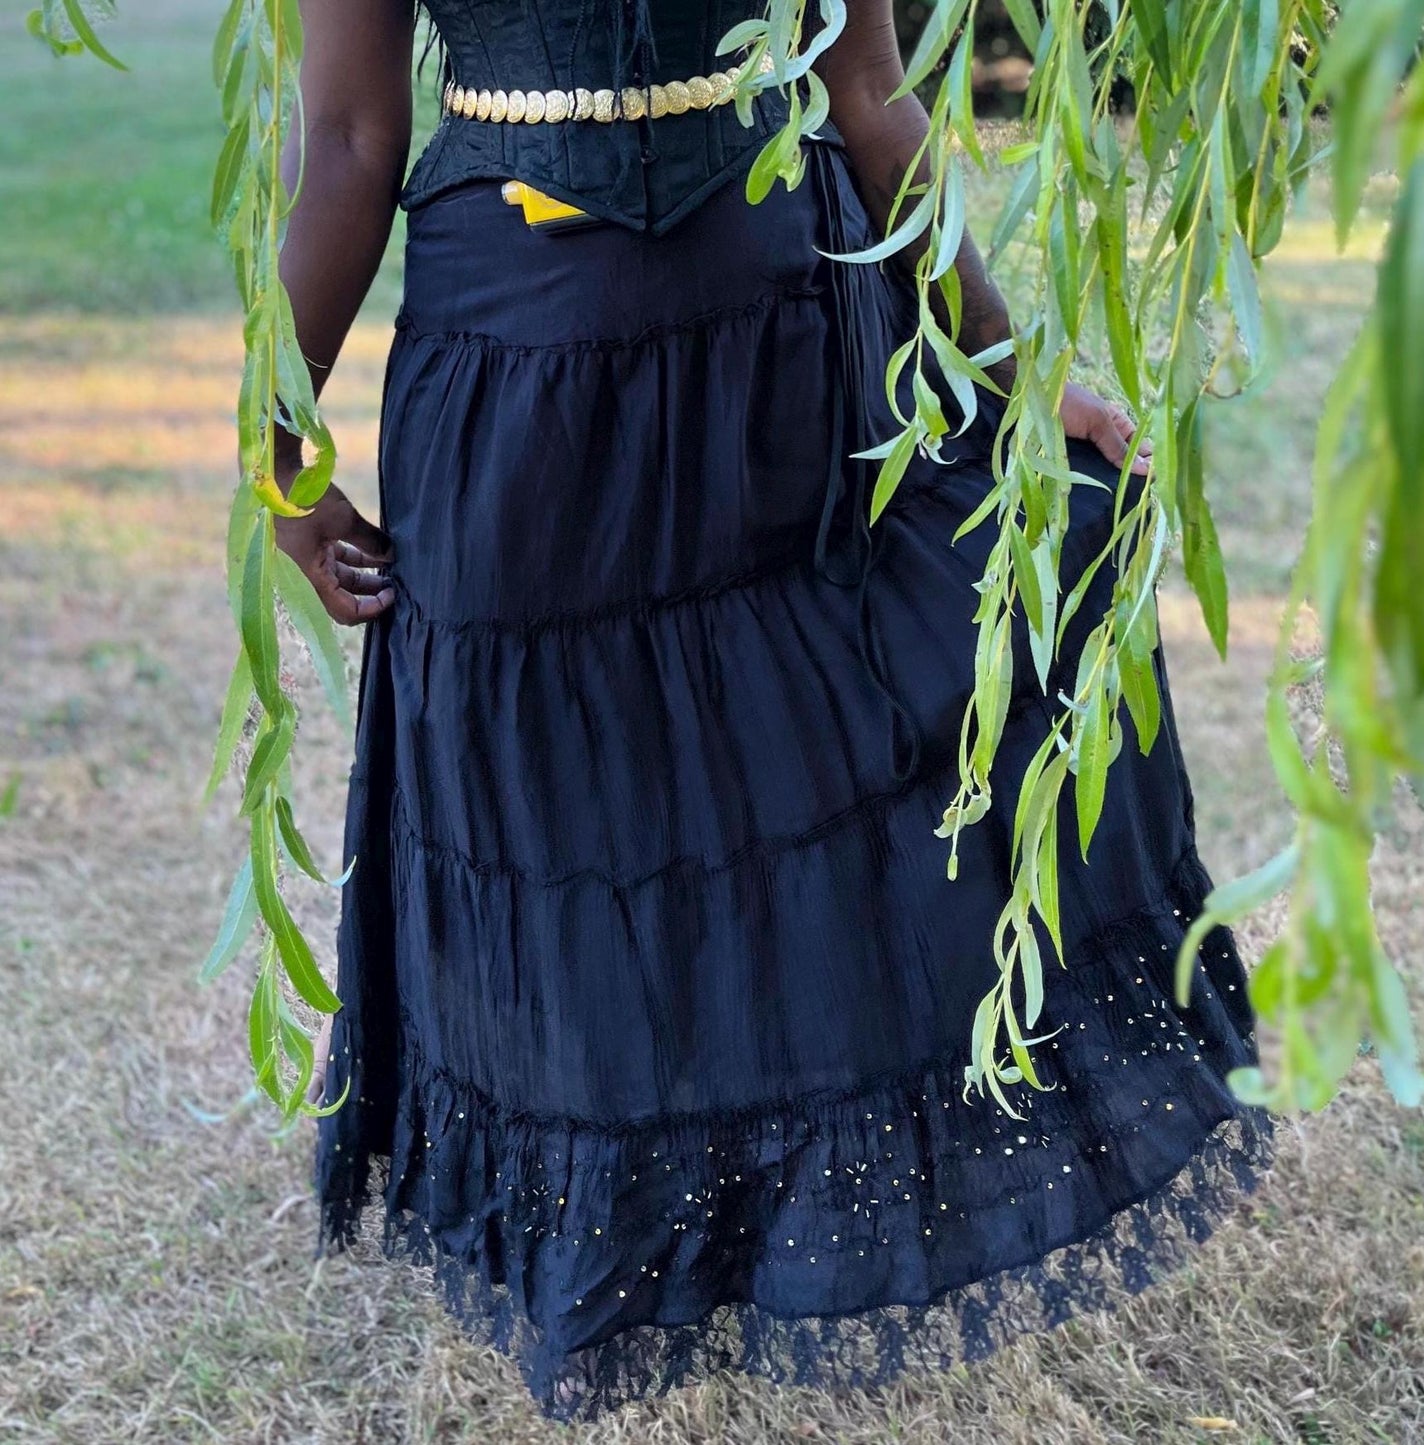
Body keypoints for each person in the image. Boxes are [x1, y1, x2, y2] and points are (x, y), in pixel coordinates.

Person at [283, 0, 1273, 1420]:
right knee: (582, 827)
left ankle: (781, 1212)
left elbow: (867, 94)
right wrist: (275, 442)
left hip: (785, 355)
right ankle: (615, 1250)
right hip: (518, 381)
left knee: (796, 774)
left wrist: (1004, 370)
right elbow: (350, 133)